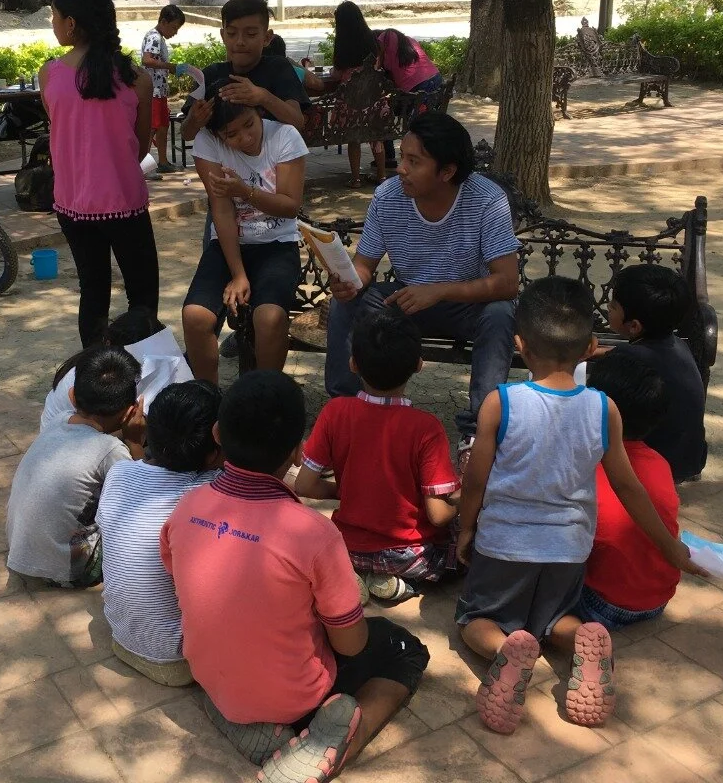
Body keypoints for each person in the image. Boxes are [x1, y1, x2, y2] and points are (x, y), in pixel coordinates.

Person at [455, 277, 706, 735]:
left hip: (505, 543)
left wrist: (466, 529)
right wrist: (671, 548)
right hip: (569, 549)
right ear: (591, 347)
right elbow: (629, 487)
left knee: (476, 618)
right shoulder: (604, 408)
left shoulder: (500, 403)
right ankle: (582, 640)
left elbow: (476, 480)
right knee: (557, 619)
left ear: (519, 345)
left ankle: (504, 650)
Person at [161, 371, 429, 783]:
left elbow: (184, 582)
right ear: (299, 450)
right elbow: (351, 644)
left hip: (212, 679)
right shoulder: (314, 534)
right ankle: (328, 745)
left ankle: (237, 719)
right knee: (405, 649)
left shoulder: (185, 508)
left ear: (217, 433)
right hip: (296, 697)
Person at [325, 111, 519, 467]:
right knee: (350, 303)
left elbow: (507, 282)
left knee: (500, 313)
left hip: (465, 305)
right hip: (407, 301)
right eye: (402, 156)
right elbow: (365, 265)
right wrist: (350, 282)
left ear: (446, 172)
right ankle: (346, 411)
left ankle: (478, 432)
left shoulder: (486, 200)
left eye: (414, 162)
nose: (401, 168)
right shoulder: (388, 196)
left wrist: (440, 290)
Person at [296, 308, 459, 604]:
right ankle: (401, 584)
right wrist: (467, 498)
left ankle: (354, 575)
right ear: (419, 365)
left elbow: (304, 485)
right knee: (461, 541)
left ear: (353, 364)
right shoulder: (426, 428)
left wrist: (347, 491)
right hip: (407, 554)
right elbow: (437, 516)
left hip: (349, 546)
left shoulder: (335, 412)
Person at [40, 0, 158, 347]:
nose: (53, 23)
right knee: (143, 295)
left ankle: (95, 369)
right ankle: (144, 367)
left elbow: (64, 138)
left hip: (73, 206)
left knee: (92, 290)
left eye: (54, 15)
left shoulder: (49, 75)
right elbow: (140, 148)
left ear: (71, 23)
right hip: (124, 203)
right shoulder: (137, 79)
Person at [96, 379, 222, 687]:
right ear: (214, 451)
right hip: (177, 659)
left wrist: (134, 442)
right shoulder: (207, 493)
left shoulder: (120, 472)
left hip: (122, 638)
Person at [182, 95, 307, 383]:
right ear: (217, 134)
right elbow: (222, 210)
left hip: (277, 244)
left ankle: (263, 394)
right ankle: (206, 396)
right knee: (195, 316)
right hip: (228, 245)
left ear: (258, 111)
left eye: (249, 124)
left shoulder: (284, 136)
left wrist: (245, 192)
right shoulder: (207, 141)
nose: (245, 138)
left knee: (269, 318)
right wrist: (238, 274)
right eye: (232, 134)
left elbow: (290, 206)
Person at [5, 346, 142, 588]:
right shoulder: (110, 450)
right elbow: (143, 496)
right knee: (141, 521)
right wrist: (135, 441)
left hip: (20, 551)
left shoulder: (59, 421)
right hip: (69, 570)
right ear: (130, 412)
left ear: (72, 396)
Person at [579, 351, 681, 630]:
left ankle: (568, 631)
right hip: (658, 599)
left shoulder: (585, 465)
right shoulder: (659, 463)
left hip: (601, 602)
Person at [304, 2, 441, 185]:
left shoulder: (343, 46)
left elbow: (336, 75)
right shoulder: (374, 43)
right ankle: (381, 175)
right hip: (374, 104)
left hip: (350, 106)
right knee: (376, 137)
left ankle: (355, 179)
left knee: (354, 139)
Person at [606, 264, 709, 483]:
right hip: (687, 458)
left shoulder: (627, 359)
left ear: (634, 326)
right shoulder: (679, 345)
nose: (608, 308)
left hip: (653, 467)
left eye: (613, 306)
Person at [180, 0, 312, 144]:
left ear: (267, 38)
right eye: (232, 34)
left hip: (273, 157)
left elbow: (297, 121)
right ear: (223, 36)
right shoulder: (208, 76)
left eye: (251, 34)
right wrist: (194, 120)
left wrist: (263, 97)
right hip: (224, 159)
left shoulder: (279, 68)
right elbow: (186, 134)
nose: (240, 42)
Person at [41, 308, 192, 438]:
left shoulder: (101, 369)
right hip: (76, 441)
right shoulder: (91, 379)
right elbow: (98, 434)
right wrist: (140, 431)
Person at [140, 4, 187, 173]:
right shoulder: (155, 37)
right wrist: (170, 66)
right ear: (164, 22)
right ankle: (144, 166)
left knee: (162, 126)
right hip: (153, 91)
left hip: (159, 91)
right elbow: (147, 60)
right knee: (152, 127)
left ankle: (162, 161)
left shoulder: (158, 37)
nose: (175, 32)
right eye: (174, 27)